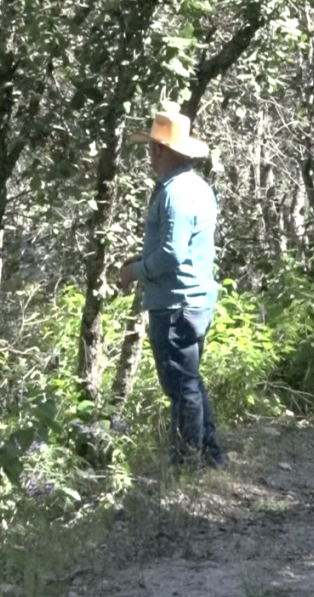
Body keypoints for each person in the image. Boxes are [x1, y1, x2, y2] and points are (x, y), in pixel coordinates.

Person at [120, 111, 226, 469]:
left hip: (177, 305)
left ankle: (187, 463)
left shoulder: (175, 193)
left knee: (181, 388)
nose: (150, 155)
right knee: (189, 382)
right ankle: (210, 457)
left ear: (162, 151)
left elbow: (173, 253)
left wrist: (135, 271)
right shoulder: (197, 187)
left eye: (153, 148)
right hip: (193, 302)